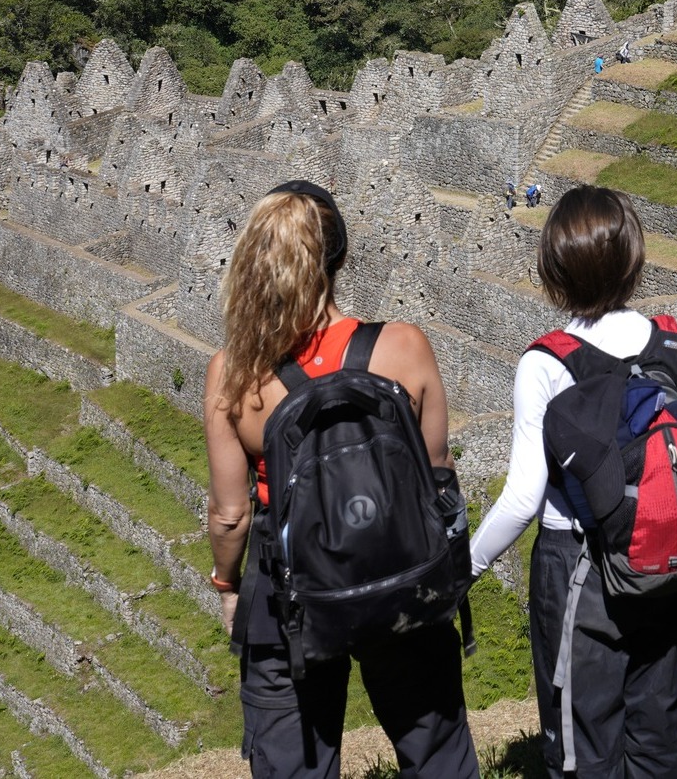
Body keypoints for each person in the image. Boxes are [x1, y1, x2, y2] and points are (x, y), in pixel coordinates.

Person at [203, 181, 480, 779]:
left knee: (293, 760)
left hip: (289, 589)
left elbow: (230, 515)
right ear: (340, 258)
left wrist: (227, 586)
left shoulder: (234, 374)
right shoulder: (404, 346)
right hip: (397, 567)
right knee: (437, 752)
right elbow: (438, 476)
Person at [470, 186, 677, 779]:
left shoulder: (547, 362)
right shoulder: (674, 344)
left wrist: (464, 567)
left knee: (583, 734)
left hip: (579, 565)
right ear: (634, 259)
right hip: (659, 556)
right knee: (660, 722)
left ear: (554, 272)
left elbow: (523, 497)